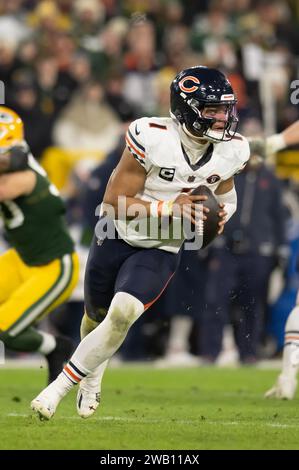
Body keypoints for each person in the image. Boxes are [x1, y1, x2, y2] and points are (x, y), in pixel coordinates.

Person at [31, 65, 250, 420]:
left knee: (124, 312)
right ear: (186, 108)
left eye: (225, 109)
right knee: (95, 317)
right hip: (118, 233)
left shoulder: (234, 151)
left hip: (162, 246)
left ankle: (58, 387)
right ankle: (92, 377)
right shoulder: (151, 135)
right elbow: (114, 200)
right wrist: (169, 206)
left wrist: (222, 216)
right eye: (212, 110)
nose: (223, 118)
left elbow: (226, 196)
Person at [0, 106, 79, 383]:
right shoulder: (14, 161)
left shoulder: (23, 175)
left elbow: (5, 188)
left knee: (7, 330)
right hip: (21, 258)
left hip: (53, 266)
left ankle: (56, 347)